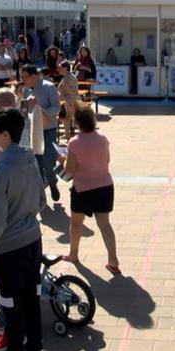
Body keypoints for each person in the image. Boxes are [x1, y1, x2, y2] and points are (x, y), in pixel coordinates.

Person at [0, 108, 45, 351]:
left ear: (5, 134)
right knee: (32, 301)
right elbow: (41, 200)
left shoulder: (0, 172)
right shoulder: (30, 159)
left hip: (9, 249)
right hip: (33, 241)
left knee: (10, 306)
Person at [60, 107, 120, 275]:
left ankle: (73, 254)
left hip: (83, 189)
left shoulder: (74, 142)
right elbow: (107, 160)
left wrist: (62, 160)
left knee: (76, 224)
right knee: (105, 224)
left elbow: (70, 170)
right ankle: (113, 260)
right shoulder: (103, 139)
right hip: (104, 186)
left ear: (77, 123)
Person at [20, 64, 62, 201]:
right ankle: (40, 193)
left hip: (48, 129)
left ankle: (52, 182)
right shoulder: (26, 90)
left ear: (34, 76)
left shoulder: (49, 87)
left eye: (25, 77)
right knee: (36, 163)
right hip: (33, 131)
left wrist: (39, 107)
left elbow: (56, 108)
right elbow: (24, 112)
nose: (23, 80)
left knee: (48, 162)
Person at [57, 61, 80, 137]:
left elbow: (66, 90)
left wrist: (60, 98)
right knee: (68, 118)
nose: (59, 69)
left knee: (68, 118)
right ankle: (68, 134)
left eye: (60, 68)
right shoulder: (66, 77)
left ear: (65, 68)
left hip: (70, 100)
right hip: (69, 100)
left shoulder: (68, 78)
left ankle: (68, 135)